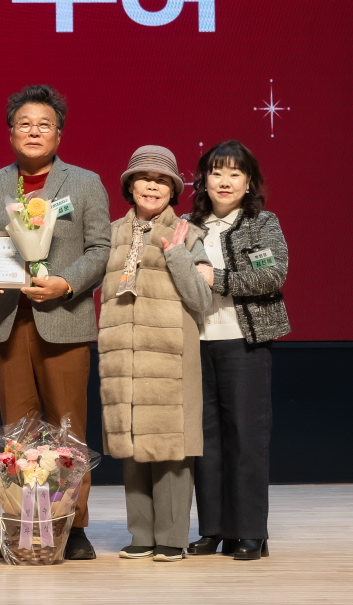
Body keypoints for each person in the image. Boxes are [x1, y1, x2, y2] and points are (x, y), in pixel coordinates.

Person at [0, 84, 110, 559]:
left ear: (59, 133)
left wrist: (65, 283)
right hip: (8, 322)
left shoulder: (84, 183)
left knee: (67, 429)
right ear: (11, 133)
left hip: (65, 318)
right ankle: (21, 528)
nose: (34, 132)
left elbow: (100, 249)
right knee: (18, 431)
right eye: (24, 124)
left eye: (44, 125)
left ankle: (73, 526)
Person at [97, 145, 213, 562]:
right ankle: (141, 533)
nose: (152, 186)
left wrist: (177, 253)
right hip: (122, 352)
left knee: (171, 449)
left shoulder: (188, 233)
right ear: (130, 186)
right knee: (132, 446)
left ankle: (172, 537)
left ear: (174, 190)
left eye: (162, 180)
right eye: (144, 178)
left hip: (169, 354)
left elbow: (201, 299)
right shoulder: (110, 233)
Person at [184, 140, 290, 562]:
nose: (224, 181)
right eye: (216, 172)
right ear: (203, 180)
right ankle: (213, 529)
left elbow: (272, 275)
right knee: (205, 442)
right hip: (194, 344)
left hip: (244, 343)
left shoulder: (262, 223)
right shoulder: (187, 225)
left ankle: (250, 532)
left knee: (246, 439)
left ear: (249, 182)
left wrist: (218, 278)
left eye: (234, 173)